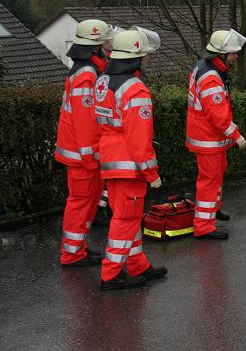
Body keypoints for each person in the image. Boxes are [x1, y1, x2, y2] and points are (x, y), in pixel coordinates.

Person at [95, 27, 167, 290]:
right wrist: (152, 173)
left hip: (111, 161)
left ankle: (137, 264)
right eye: (145, 54)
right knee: (125, 220)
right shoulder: (135, 90)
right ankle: (111, 274)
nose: (148, 58)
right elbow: (139, 139)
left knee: (128, 218)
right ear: (135, 58)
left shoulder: (103, 81)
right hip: (129, 166)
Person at [56, 19, 112, 267]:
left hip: (82, 153)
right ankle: (72, 253)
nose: (108, 49)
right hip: (82, 155)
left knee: (87, 202)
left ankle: (77, 247)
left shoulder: (86, 70)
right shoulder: (87, 74)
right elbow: (85, 121)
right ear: (95, 47)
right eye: (104, 44)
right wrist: (91, 156)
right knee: (81, 202)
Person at [186, 29, 246, 240]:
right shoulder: (211, 77)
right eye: (233, 52)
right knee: (209, 181)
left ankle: (213, 209)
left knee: (216, 175)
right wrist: (236, 135)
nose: (236, 56)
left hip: (209, 137)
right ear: (221, 53)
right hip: (208, 138)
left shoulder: (206, 67)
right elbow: (217, 115)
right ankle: (204, 226)